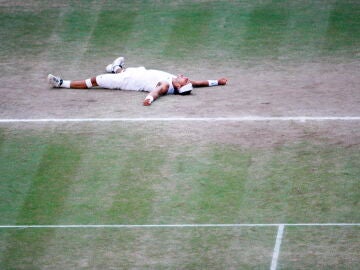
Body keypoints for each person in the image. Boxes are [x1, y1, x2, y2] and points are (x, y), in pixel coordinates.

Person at [47, 56, 228, 106]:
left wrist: (149, 99)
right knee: (122, 69)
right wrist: (218, 82)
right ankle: (115, 67)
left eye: (184, 80)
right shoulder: (175, 81)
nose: (186, 77)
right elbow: (199, 83)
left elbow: (156, 92)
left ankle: (61, 83)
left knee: (94, 81)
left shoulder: (166, 85)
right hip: (137, 73)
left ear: (178, 86)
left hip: (126, 81)